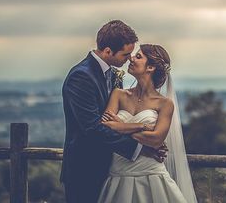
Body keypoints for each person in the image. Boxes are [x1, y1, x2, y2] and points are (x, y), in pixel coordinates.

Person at [60, 20, 166, 203]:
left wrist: (142, 137)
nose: (129, 59)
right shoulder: (82, 76)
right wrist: (142, 148)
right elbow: (93, 128)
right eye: (126, 54)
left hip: (109, 168)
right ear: (108, 51)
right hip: (85, 169)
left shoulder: (111, 73)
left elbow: (114, 121)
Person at [97, 43, 197, 203]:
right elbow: (104, 127)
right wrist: (141, 126)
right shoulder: (118, 95)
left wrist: (120, 126)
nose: (131, 58)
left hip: (152, 175)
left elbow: (156, 139)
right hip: (118, 175)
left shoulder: (164, 104)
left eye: (138, 56)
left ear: (150, 68)